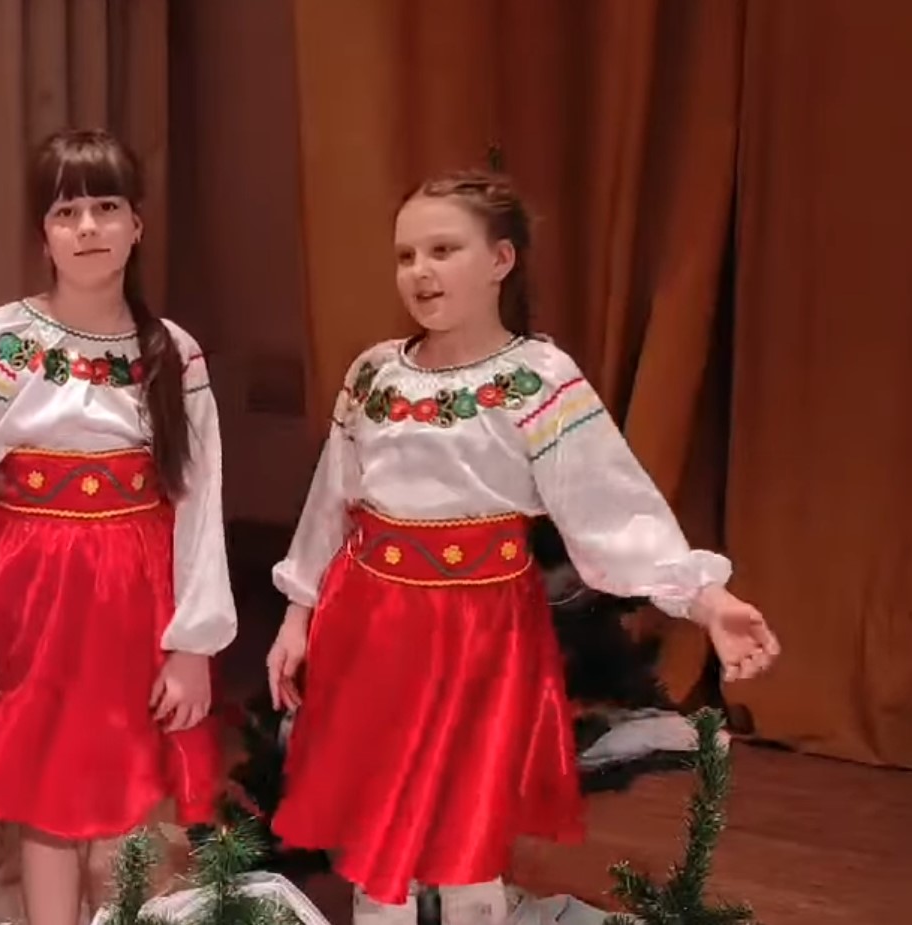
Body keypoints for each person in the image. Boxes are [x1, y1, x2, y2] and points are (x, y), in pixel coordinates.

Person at [264, 168, 781, 925]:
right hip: (371, 626)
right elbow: (330, 504)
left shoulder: (537, 380)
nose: (420, 271)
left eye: (444, 250)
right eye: (406, 255)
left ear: (501, 260)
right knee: (380, 827)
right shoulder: (374, 374)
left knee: (469, 829)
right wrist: (297, 612)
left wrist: (706, 599)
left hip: (481, 634)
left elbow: (614, 510)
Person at [0, 128, 237, 925]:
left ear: (137, 225)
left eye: (106, 207)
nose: (87, 227)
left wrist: (193, 644)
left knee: (122, 790)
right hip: (29, 595)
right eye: (66, 211)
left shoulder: (172, 353)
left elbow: (200, 501)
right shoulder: (3, 341)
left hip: (132, 598)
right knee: (42, 787)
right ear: (42, 234)